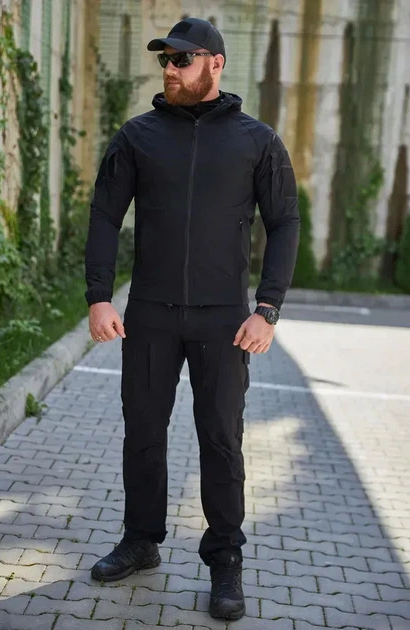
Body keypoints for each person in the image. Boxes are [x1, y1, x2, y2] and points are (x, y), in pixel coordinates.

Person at [84, 16, 299, 621]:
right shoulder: (138, 136)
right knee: (143, 432)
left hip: (223, 320)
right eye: (166, 60)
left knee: (221, 439)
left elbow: (284, 222)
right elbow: (105, 215)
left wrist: (268, 309)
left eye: (182, 59)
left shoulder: (257, 141)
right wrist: (99, 296)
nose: (170, 70)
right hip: (150, 314)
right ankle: (141, 540)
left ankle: (225, 560)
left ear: (216, 63)